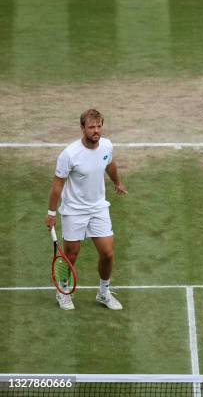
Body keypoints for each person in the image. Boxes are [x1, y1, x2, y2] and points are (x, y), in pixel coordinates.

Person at [45, 109, 127, 310]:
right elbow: (57, 185)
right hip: (74, 210)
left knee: (107, 253)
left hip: (99, 208)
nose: (96, 130)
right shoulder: (69, 154)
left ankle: (104, 292)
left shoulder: (106, 145)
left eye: (99, 126)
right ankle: (63, 291)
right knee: (71, 255)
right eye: (91, 127)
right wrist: (51, 213)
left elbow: (109, 163)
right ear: (83, 128)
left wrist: (117, 182)